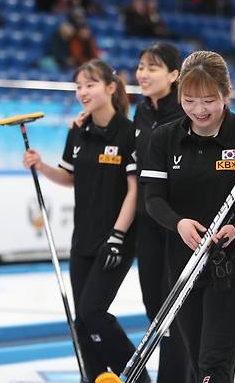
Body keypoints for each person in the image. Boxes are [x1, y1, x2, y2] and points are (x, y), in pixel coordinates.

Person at [140, 50, 235, 383]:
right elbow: (153, 199)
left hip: (233, 264)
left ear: (226, 94)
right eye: (189, 100)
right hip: (184, 265)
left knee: (214, 364)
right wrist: (179, 223)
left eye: (208, 100)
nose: (199, 110)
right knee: (195, 360)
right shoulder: (165, 138)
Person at [23, 59, 149, 383]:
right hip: (83, 239)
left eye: (90, 85)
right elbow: (70, 177)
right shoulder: (79, 131)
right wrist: (40, 165)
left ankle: (135, 375)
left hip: (115, 239)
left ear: (110, 87)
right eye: (78, 86)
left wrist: (118, 236)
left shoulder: (130, 132)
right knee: (82, 321)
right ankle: (93, 378)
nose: (83, 92)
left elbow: (134, 190)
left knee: (93, 312)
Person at [132, 42, 192, 383]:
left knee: (176, 312)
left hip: (180, 225)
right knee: (154, 307)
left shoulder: (186, 114)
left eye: (152, 67)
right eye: (141, 66)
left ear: (174, 75)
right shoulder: (139, 112)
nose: (143, 74)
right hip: (147, 223)